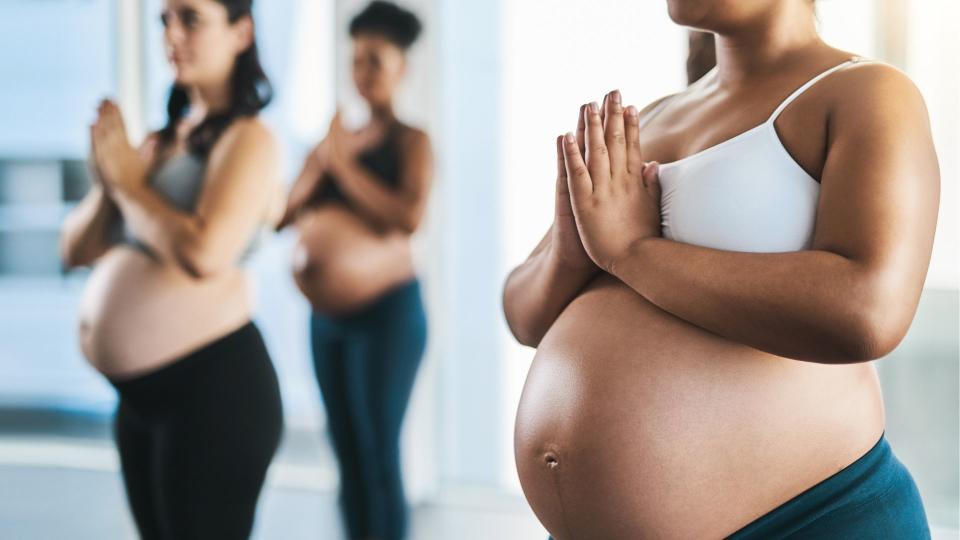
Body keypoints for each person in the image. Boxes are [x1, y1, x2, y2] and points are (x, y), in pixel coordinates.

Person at [503, 0, 939, 538]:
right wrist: (573, 252)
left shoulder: (864, 92)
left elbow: (869, 310)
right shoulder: (655, 115)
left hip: (813, 517)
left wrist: (632, 254)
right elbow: (523, 315)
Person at [59, 0, 284, 537]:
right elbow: (75, 250)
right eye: (163, 20)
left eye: (190, 18)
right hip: (142, 401)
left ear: (241, 31)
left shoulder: (249, 139)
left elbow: (204, 251)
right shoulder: (163, 141)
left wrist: (131, 184)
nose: (171, 34)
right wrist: (108, 180)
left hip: (215, 395)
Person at [277, 2, 432, 538]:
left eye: (375, 60)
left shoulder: (412, 141)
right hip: (328, 321)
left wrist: (342, 165)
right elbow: (282, 215)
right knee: (345, 456)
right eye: (355, 60)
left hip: (388, 317)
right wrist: (323, 159)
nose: (361, 72)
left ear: (401, 68)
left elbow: (407, 216)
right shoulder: (334, 139)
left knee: (378, 453)